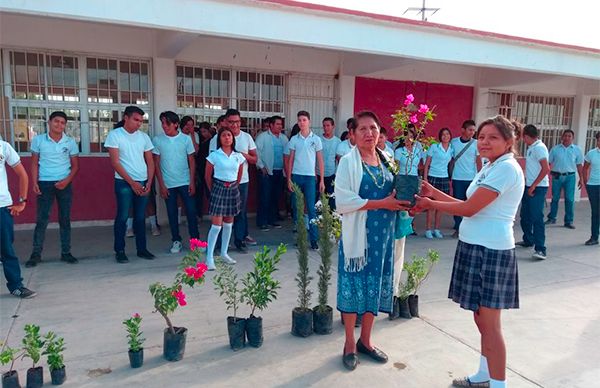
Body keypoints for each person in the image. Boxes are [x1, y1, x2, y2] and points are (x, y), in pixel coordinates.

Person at [414, 115, 524, 388]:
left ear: (509, 142)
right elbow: (467, 202)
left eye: (492, 137)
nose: (484, 142)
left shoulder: (507, 168)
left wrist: (431, 204)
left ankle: (499, 384)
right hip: (475, 246)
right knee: (480, 319)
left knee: (491, 324)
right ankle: (484, 375)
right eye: (482, 137)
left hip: (492, 251)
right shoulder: (490, 166)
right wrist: (434, 193)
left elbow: (469, 209)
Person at [335, 110, 409, 371]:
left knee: (374, 288)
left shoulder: (387, 160)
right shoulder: (348, 162)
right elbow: (343, 201)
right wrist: (384, 203)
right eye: (363, 129)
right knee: (354, 289)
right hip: (359, 240)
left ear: (380, 134)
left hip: (384, 238)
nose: (369, 133)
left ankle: (366, 340)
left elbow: (395, 192)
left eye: (373, 129)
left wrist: (405, 199)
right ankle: (349, 344)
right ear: (353, 135)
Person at [26, 111, 79, 267]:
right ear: (49, 122)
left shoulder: (70, 142)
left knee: (65, 219)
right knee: (42, 220)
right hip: (45, 183)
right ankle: (36, 254)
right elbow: (34, 163)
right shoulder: (38, 140)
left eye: (63, 123)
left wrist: (66, 181)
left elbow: (76, 166)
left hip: (64, 183)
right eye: (56, 121)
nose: (59, 125)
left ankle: (66, 253)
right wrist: (34, 182)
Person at [105, 106, 155, 263]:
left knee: (140, 217)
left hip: (142, 181)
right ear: (126, 118)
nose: (139, 123)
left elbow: (150, 161)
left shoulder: (144, 137)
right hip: (124, 183)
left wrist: (149, 182)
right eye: (136, 120)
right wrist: (132, 183)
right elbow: (115, 162)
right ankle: (120, 250)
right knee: (123, 217)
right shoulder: (115, 135)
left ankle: (142, 249)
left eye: (141, 121)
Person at [210, 109, 257, 252]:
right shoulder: (217, 139)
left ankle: (239, 240)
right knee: (220, 215)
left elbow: (255, 159)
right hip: (221, 183)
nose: (235, 125)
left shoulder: (247, 137)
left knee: (240, 212)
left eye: (237, 122)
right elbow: (211, 163)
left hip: (242, 182)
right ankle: (220, 245)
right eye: (231, 122)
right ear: (225, 121)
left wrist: (243, 155)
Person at [153, 111, 199, 254]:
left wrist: (192, 182)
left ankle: (195, 241)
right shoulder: (157, 140)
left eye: (167, 123)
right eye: (162, 123)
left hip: (185, 181)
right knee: (172, 213)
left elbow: (191, 161)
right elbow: (156, 164)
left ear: (176, 124)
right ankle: (176, 240)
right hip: (168, 183)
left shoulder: (185, 139)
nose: (164, 126)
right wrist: (161, 184)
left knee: (191, 212)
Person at [0, 139, 37, 298]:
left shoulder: (3, 146)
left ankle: (16, 285)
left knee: (7, 249)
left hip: (2, 206)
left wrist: (22, 202)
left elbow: (22, 174)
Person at [204, 128, 244, 269]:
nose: (227, 138)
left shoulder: (238, 156)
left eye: (229, 135)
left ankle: (224, 253)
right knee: (216, 226)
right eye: (223, 135)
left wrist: (234, 186)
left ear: (232, 138)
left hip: (232, 189)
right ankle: (209, 257)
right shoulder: (214, 155)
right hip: (218, 189)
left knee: (228, 224)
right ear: (219, 139)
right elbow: (207, 176)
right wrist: (213, 190)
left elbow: (239, 174)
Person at [286, 111, 325, 250]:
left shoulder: (316, 139)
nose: (301, 122)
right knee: (297, 209)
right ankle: (300, 238)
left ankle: (314, 240)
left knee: (311, 208)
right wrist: (289, 178)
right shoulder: (294, 140)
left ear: (309, 121)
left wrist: (321, 180)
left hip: (310, 177)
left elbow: (320, 160)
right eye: (299, 120)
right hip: (297, 176)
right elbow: (290, 160)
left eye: (304, 120)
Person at [517, 124, 550, 260]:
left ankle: (540, 248)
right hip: (529, 185)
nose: (523, 140)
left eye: (523, 137)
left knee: (537, 217)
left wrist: (534, 186)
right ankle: (528, 239)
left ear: (527, 136)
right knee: (525, 215)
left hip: (538, 187)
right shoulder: (531, 148)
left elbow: (545, 169)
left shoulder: (540, 148)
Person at [546, 129, 584, 229]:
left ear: (573, 138)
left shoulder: (577, 150)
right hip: (557, 176)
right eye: (565, 136)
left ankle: (569, 221)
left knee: (569, 199)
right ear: (562, 137)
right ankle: (552, 217)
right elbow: (548, 163)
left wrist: (582, 178)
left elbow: (579, 165)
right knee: (555, 198)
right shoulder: (555, 149)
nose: (567, 138)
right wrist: (545, 175)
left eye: (569, 136)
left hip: (570, 177)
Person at [450, 119, 482, 238]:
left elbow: (478, 161)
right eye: (470, 130)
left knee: (469, 203)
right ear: (463, 130)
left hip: (471, 178)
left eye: (474, 130)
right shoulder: (454, 142)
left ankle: (469, 227)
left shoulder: (476, 144)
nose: (472, 132)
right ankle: (458, 227)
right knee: (457, 202)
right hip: (457, 177)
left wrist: (480, 177)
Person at [255, 115, 288, 231]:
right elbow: (256, 153)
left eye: (281, 124)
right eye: (277, 124)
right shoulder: (262, 137)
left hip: (280, 172)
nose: (280, 126)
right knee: (265, 197)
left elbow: (287, 155)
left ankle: (272, 219)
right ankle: (262, 222)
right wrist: (261, 166)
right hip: (267, 172)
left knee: (276, 197)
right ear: (271, 125)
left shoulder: (284, 138)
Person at [423, 127, 453, 239]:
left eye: (448, 134)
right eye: (443, 134)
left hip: (444, 178)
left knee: (440, 206)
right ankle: (428, 229)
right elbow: (427, 164)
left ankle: (436, 229)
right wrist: (425, 178)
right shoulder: (434, 147)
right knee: (431, 205)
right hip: (433, 177)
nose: (446, 136)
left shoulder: (451, 149)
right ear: (440, 137)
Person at [583, 131, 600, 246]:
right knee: (596, 212)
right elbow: (585, 168)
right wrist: (586, 181)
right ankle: (594, 237)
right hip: (593, 186)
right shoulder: (591, 153)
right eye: (599, 140)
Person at [319, 117, 341, 205]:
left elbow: (338, 159)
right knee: (318, 199)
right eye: (324, 126)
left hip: (331, 174)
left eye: (328, 125)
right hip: (318, 174)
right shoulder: (318, 140)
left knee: (331, 199)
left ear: (333, 126)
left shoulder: (338, 141)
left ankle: (330, 217)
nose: (326, 128)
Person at [195, 121, 213, 220]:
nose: (203, 134)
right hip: (200, 170)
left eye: (205, 131)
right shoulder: (201, 140)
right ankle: (199, 215)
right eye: (201, 132)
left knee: (210, 192)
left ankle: (215, 214)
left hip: (209, 170)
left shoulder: (213, 141)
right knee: (199, 193)